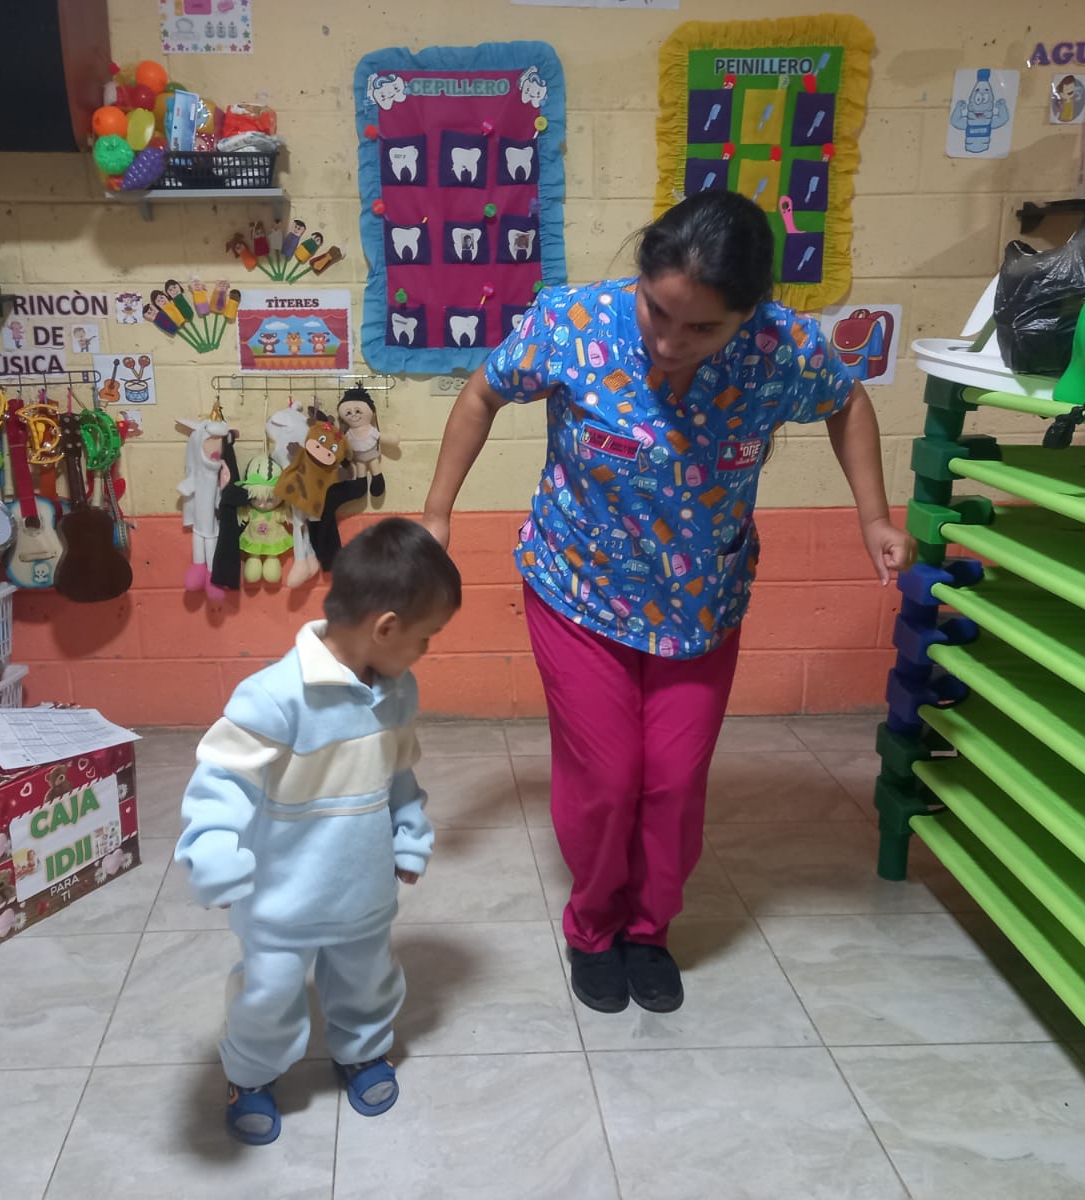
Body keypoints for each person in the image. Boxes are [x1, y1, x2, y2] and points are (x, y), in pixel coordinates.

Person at [421, 191, 914, 1015]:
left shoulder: (781, 348)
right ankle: (593, 929)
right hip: (578, 590)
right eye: (658, 311)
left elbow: (849, 403)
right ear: (641, 278)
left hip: (701, 603)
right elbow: (482, 394)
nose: (669, 341)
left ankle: (649, 930)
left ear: (747, 314)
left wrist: (873, 517)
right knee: (609, 777)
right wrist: (438, 510)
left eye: (702, 328)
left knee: (675, 782)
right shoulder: (574, 324)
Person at [176, 518, 462, 1144]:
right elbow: (221, 780)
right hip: (281, 900)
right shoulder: (273, 697)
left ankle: (362, 1050)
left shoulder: (397, 692)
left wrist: (409, 829)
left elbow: (398, 772)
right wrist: (213, 850)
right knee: (269, 994)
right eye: (424, 638)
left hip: (363, 890)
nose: (424, 652)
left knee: (367, 981)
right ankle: (250, 1075)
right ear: (385, 627)